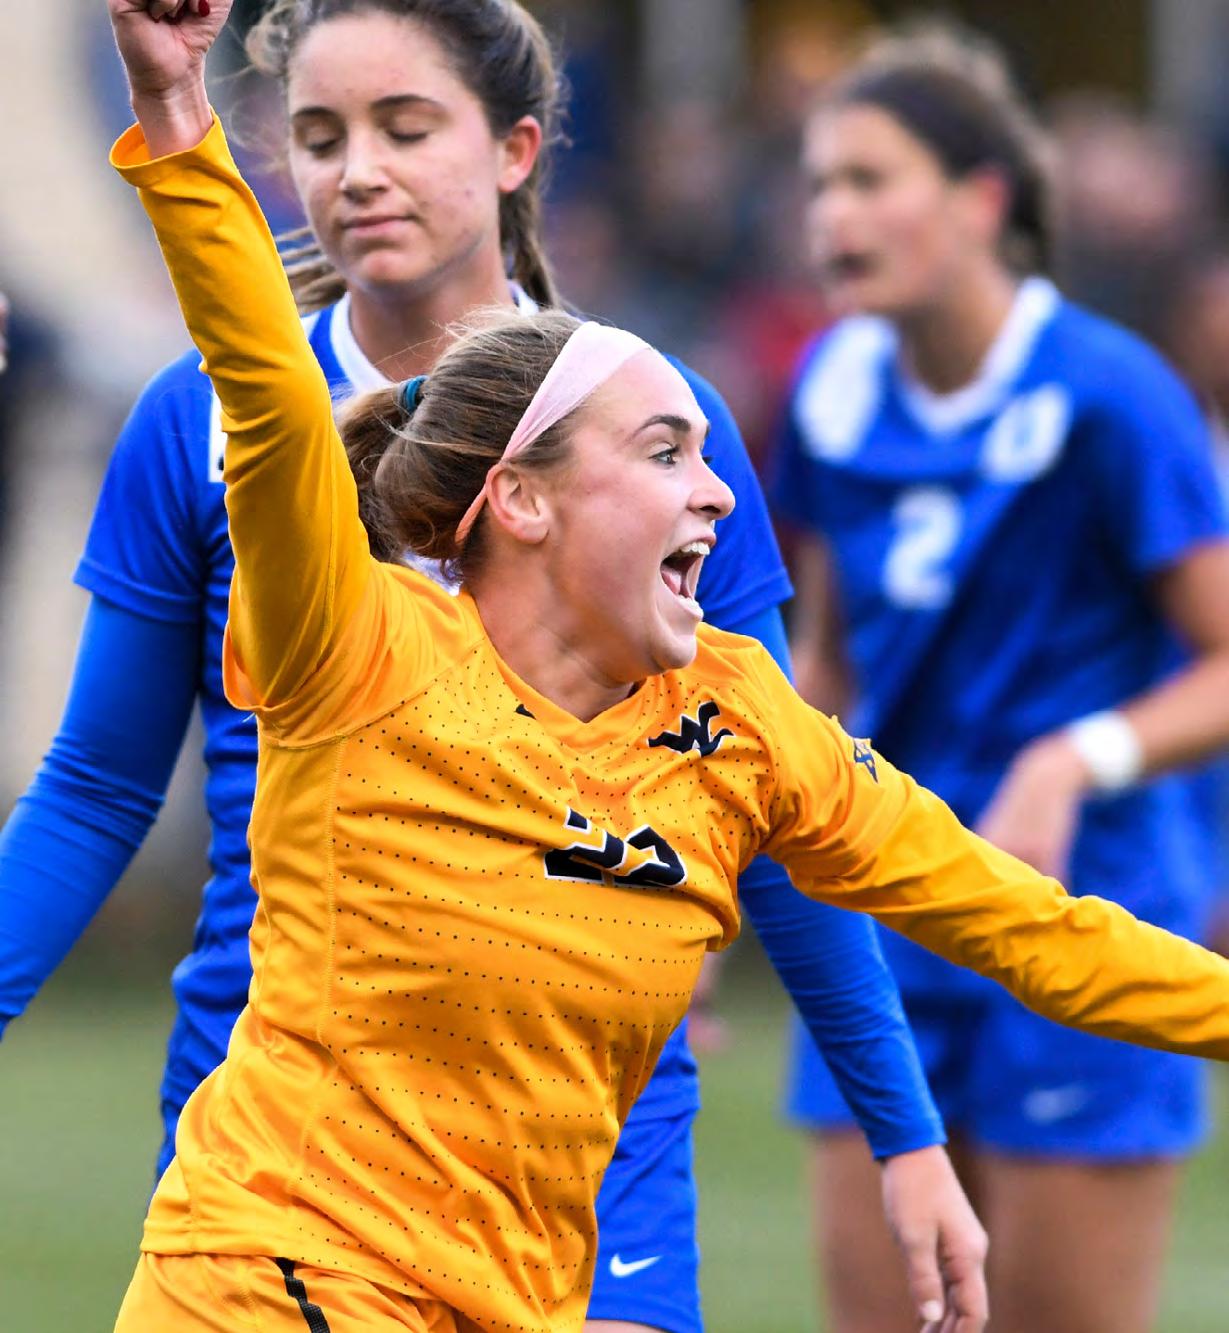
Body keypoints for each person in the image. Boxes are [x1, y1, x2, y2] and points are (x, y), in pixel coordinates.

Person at [0, 2, 989, 1331]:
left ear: (518, 149)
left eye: (407, 129)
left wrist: (904, 1133)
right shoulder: (199, 418)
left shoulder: (659, 429)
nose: (359, 171)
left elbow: (774, 797)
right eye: (321, 137)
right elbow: (97, 791)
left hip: (585, 1126)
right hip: (286, 1125)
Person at [770, 25, 1229, 1333]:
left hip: (1082, 905)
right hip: (886, 912)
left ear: (980, 200)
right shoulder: (829, 392)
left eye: (869, 179)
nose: (832, 215)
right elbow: (829, 667)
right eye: (818, 184)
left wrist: (1072, 758)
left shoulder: (1108, 393)